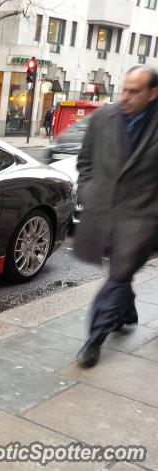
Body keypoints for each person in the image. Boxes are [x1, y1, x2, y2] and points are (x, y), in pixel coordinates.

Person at [74, 66, 158, 367]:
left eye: (134, 91)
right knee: (120, 274)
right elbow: (85, 161)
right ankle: (127, 312)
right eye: (124, 89)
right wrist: (88, 192)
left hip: (143, 216)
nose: (125, 97)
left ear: (152, 93)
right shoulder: (102, 118)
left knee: (119, 274)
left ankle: (95, 339)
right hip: (104, 213)